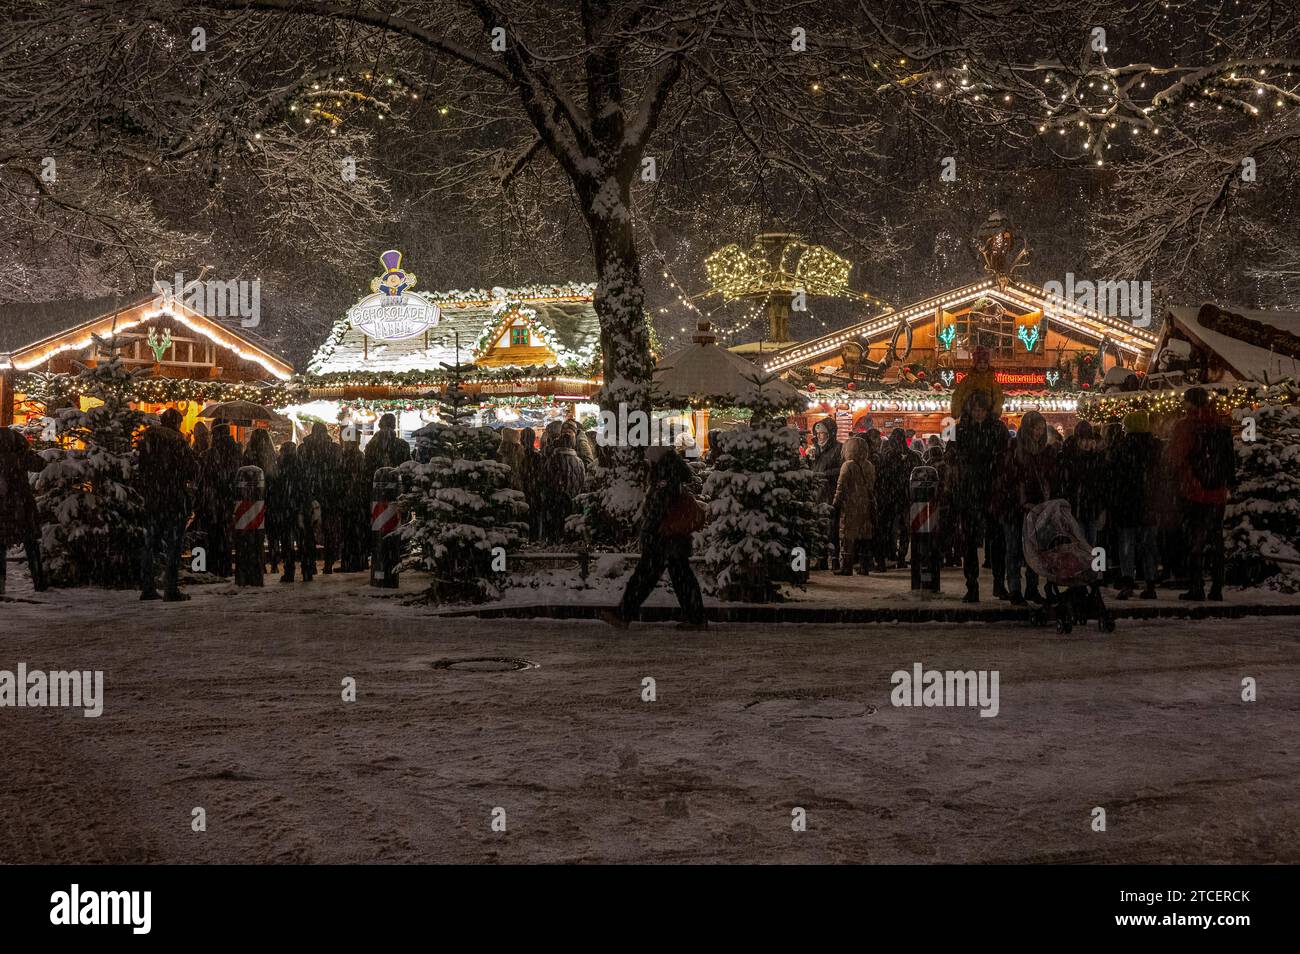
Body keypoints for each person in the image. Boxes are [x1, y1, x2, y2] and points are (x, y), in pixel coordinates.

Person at [602, 447, 706, 629]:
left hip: (664, 537)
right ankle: (695, 617)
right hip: (672, 537)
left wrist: (650, 528)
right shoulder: (672, 475)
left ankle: (624, 613)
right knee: (678, 577)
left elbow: (659, 505)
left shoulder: (665, 478)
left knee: (646, 576)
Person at [1167, 387, 1234, 600]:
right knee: (1216, 539)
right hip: (1218, 494)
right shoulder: (1221, 426)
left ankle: (1196, 587)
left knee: (1194, 541)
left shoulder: (1186, 426)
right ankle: (1217, 587)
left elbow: (1176, 458)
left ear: (1191, 403)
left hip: (1193, 491)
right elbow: (1230, 461)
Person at [136, 408, 199, 601]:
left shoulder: (148, 438)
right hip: (173, 496)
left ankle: (147, 586)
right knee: (174, 543)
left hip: (153, 496)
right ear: (177, 422)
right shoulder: (177, 440)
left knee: (150, 542)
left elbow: (141, 467)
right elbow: (190, 469)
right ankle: (171, 588)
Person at [952, 391, 1008, 602]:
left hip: (991, 490)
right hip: (970, 491)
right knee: (970, 543)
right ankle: (972, 585)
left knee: (997, 540)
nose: (978, 413)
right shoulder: (960, 428)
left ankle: (998, 583)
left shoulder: (996, 429)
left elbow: (1003, 457)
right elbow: (952, 456)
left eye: (981, 410)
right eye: (975, 409)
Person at [1003, 410, 1057, 605]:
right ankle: (1015, 589)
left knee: (1033, 551)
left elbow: (1047, 479)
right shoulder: (1014, 449)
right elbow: (1009, 480)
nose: (1038, 432)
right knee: (1015, 549)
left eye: (1041, 429)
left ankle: (1031, 588)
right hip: (1016, 509)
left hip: (1036, 509)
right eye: (1036, 428)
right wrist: (1020, 501)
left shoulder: (1044, 451)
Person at [1108, 411, 1161, 600]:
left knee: (1127, 545)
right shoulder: (1155, 447)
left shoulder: (1122, 447)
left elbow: (1114, 476)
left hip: (1127, 504)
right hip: (1149, 504)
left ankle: (1128, 581)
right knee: (1148, 546)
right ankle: (1150, 582)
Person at [0, 426, 47, 597]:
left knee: (0, 547)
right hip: (22, 505)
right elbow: (41, 464)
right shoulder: (21, 455)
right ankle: (39, 582)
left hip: (3, 506)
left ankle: (0, 585)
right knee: (31, 544)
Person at [197, 423, 244, 578]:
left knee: (208, 535)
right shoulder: (237, 453)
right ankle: (223, 567)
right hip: (229, 500)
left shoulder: (208, 455)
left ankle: (204, 567)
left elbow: (202, 479)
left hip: (211, 500)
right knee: (224, 536)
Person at [301, 422, 343, 573]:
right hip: (331, 494)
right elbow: (340, 471)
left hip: (311, 493)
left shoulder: (304, 448)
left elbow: (302, 471)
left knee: (309, 530)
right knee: (330, 531)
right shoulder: (334, 449)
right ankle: (328, 564)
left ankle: (310, 564)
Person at [272, 441, 316, 583]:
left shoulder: (280, 467)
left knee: (287, 542)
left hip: (286, 509)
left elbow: (275, 488)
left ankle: (289, 571)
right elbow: (308, 486)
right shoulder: (302, 465)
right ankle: (307, 570)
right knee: (304, 541)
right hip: (302, 508)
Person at [1058, 421, 1108, 546]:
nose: (1086, 443)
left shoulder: (1093, 457)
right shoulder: (1071, 457)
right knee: (1082, 542)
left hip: (1088, 506)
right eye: (1083, 440)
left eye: (1088, 439)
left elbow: (1100, 483)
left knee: (1089, 542)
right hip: (1079, 506)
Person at [832, 436, 875, 576]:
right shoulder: (869, 465)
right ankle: (864, 566)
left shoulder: (848, 465)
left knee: (847, 536)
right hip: (865, 505)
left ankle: (846, 566)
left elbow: (841, 487)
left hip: (850, 505)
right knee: (864, 536)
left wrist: (835, 503)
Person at [875, 428, 913, 570]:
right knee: (903, 529)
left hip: (888, 497)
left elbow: (880, 476)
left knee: (885, 529)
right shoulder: (910, 456)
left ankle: (883, 560)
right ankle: (901, 557)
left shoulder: (886, 456)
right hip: (903, 497)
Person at [244, 428, 280, 572]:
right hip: (270, 497)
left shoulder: (249, 455)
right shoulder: (271, 456)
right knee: (272, 533)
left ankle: (260, 562)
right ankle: (275, 563)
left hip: (254, 497)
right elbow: (275, 477)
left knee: (257, 532)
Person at [809, 418, 842, 570]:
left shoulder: (838, 449)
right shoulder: (816, 449)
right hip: (817, 493)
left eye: (823, 433)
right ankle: (821, 559)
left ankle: (834, 559)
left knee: (832, 528)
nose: (820, 436)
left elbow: (841, 470)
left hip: (830, 492)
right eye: (818, 433)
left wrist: (825, 474)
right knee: (819, 527)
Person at [541, 431, 585, 542]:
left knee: (555, 532)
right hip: (573, 501)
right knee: (570, 531)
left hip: (554, 503)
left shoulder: (552, 461)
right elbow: (582, 481)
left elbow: (545, 481)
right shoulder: (579, 462)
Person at [338, 436, 370, 572]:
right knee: (358, 532)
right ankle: (360, 561)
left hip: (349, 500)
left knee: (348, 532)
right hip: (359, 500)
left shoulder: (345, 457)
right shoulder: (361, 457)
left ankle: (349, 562)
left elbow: (341, 476)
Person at [951, 345, 1005, 418]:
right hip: (969, 415)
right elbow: (957, 396)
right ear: (975, 364)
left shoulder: (992, 381)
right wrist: (956, 411)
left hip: (987, 415)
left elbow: (999, 398)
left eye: (985, 363)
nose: (982, 365)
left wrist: (995, 413)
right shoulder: (967, 380)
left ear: (988, 364)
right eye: (979, 363)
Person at [518, 426, 543, 542]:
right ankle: (533, 541)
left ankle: (522, 540)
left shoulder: (518, 456)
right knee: (533, 520)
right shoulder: (538, 456)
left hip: (522, 492)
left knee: (522, 519)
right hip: (534, 493)